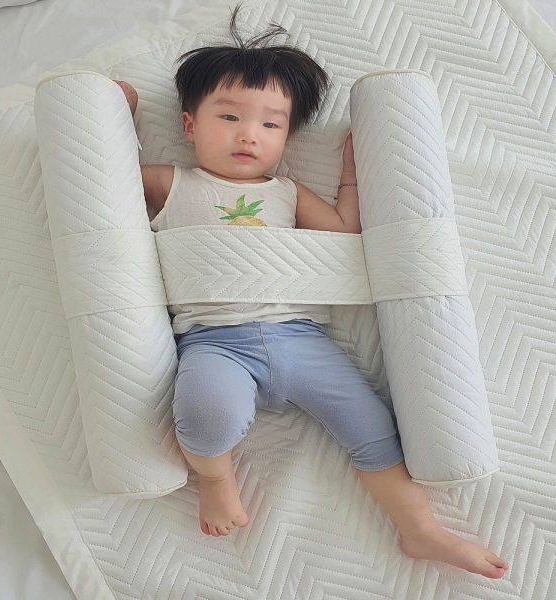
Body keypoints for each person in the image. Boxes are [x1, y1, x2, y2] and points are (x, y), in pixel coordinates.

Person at [115, 8, 508, 579]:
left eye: (271, 124)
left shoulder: (287, 192)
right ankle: (216, 479)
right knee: (204, 413)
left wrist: (350, 175)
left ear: (287, 136)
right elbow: (105, 177)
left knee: (373, 428)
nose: (249, 134)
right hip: (213, 341)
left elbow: (343, 235)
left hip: (300, 338)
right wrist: (118, 117)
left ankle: (420, 530)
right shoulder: (170, 182)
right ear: (190, 125)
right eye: (229, 116)